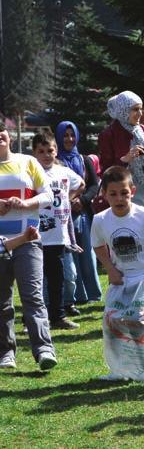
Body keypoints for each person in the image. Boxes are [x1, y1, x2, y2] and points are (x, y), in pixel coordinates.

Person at [91, 166, 144, 381]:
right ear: (104, 194)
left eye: (124, 193)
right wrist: (110, 269)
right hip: (122, 277)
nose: (119, 198)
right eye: (113, 194)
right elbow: (98, 245)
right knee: (113, 321)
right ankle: (120, 370)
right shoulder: (100, 220)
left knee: (141, 321)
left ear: (133, 191)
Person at [0, 122, 58, 370]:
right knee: (1, 301)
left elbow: (48, 196)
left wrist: (26, 205)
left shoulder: (27, 162)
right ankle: (5, 353)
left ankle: (44, 349)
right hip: (0, 245)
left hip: (29, 239)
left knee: (33, 297)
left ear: (8, 135)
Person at [32, 132, 84, 330]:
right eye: (41, 151)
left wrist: (68, 198)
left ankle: (57, 316)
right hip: (36, 233)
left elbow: (81, 184)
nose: (46, 155)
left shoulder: (63, 172)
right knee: (35, 281)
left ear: (56, 150)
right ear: (34, 153)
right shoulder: (31, 172)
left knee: (57, 279)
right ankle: (32, 319)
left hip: (58, 235)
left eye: (50, 150)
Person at [55, 121, 102, 311]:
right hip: (62, 216)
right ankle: (72, 297)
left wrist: (82, 201)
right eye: (65, 135)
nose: (69, 139)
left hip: (83, 213)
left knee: (88, 254)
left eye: (72, 135)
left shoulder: (84, 159)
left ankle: (91, 294)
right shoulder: (55, 159)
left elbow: (94, 185)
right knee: (69, 256)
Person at [98, 90, 144, 208]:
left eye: (141, 109)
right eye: (135, 109)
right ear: (124, 110)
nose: (140, 113)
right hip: (122, 196)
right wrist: (125, 159)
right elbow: (106, 173)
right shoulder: (108, 134)